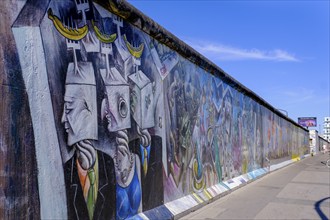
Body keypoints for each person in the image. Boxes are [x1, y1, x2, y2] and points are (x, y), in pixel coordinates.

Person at [61, 62, 116, 220]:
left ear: (88, 111)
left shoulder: (107, 163)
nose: (63, 119)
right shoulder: (67, 170)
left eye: (69, 109)